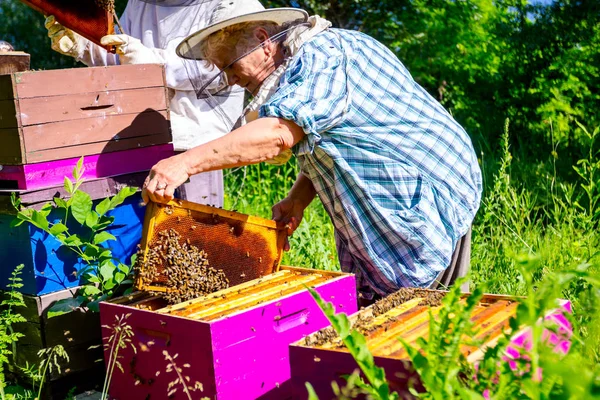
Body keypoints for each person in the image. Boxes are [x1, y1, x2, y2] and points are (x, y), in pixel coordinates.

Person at [142, 0, 483, 302]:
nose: (230, 80)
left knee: (432, 335)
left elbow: (278, 134)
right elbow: (333, 136)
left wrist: (184, 163)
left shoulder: (324, 56)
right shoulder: (302, 69)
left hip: (423, 203)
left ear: (263, 42)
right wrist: (298, 199)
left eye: (230, 66)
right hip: (400, 200)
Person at [44, 0, 244, 206]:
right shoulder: (140, 4)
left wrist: (151, 61)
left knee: (193, 231)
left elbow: (225, 70)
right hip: (140, 141)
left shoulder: (229, 5)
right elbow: (123, 58)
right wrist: (83, 45)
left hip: (195, 148)